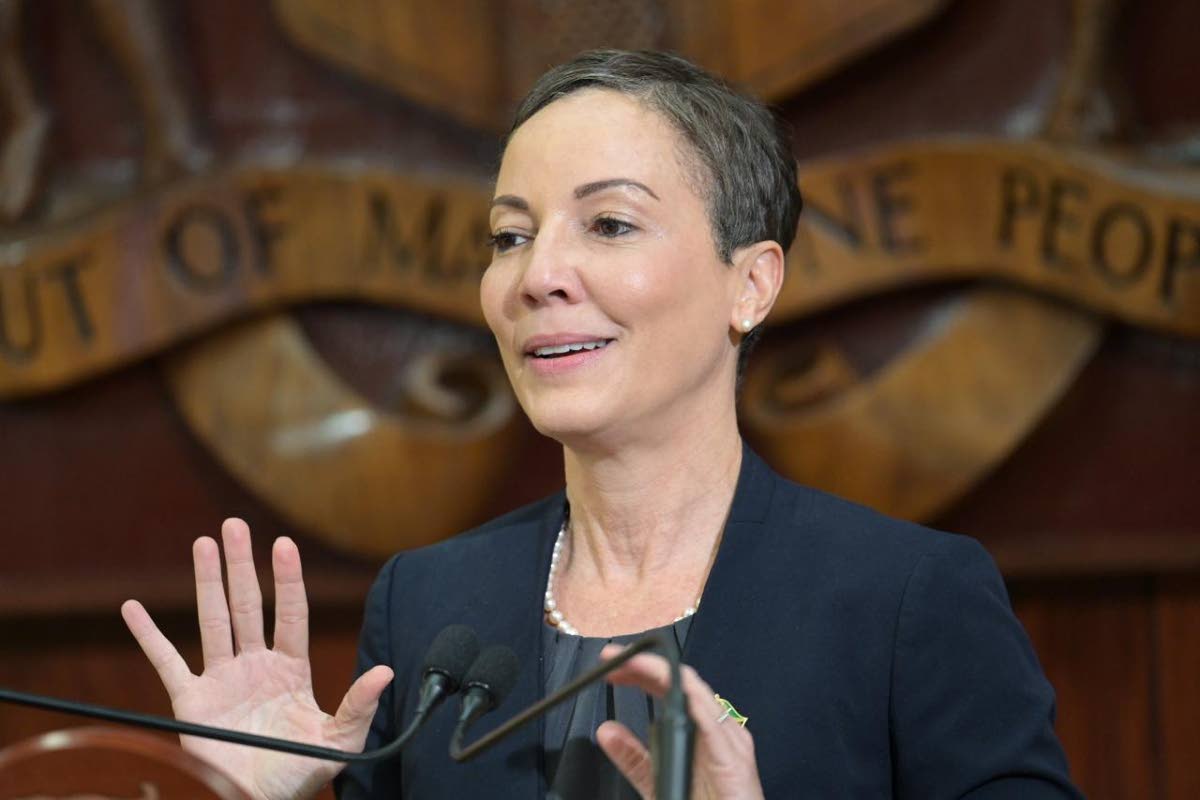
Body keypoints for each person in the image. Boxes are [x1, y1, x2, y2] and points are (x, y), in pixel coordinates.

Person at [121, 50, 1082, 799]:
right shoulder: (428, 604)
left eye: (609, 225)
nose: (538, 275)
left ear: (750, 284)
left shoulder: (908, 601)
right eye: (510, 236)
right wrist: (236, 793)